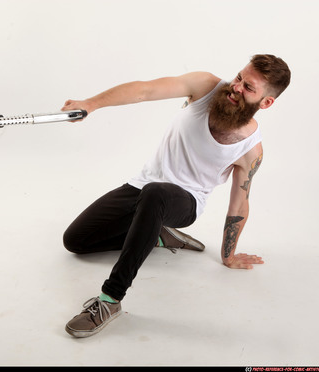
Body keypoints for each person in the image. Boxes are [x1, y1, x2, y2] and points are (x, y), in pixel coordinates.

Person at [62, 54, 291, 338]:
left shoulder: (250, 150)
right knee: (75, 241)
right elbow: (145, 90)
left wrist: (228, 255)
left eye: (249, 88)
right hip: (143, 185)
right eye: (239, 78)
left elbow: (239, 201)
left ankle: (110, 300)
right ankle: (158, 235)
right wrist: (91, 104)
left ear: (266, 102)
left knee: (156, 194)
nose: (237, 87)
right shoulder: (205, 86)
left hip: (185, 201)